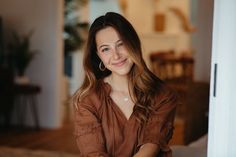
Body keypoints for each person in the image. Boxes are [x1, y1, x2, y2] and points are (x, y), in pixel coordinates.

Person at [72, 12, 178, 157]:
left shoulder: (163, 94)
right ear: (98, 55)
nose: (116, 56)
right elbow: (93, 153)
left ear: (133, 43)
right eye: (105, 49)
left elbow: (151, 145)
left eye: (121, 44)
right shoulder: (87, 100)